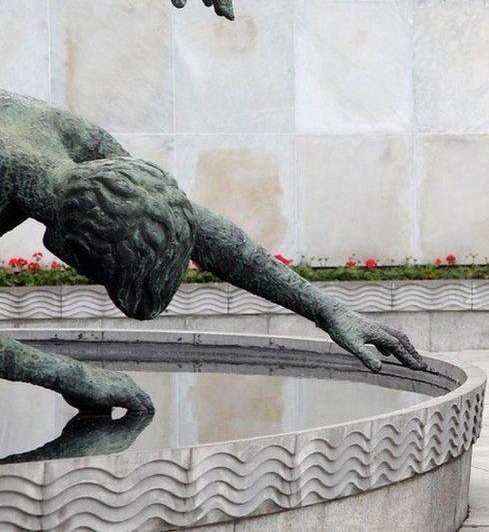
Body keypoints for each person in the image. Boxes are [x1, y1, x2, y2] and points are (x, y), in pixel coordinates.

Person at [0, 89, 426, 415]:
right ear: (66, 249)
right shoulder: (57, 149)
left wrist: (329, 310)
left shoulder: (68, 138)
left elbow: (203, 230)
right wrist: (70, 375)